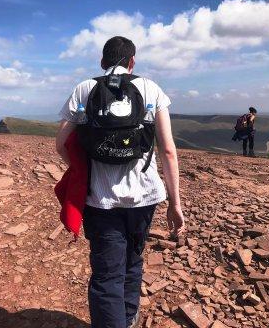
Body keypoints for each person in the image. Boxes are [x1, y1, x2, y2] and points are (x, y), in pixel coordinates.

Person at [56, 36, 185, 328]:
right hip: (145, 198)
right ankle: (128, 317)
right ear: (132, 61)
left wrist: (81, 169)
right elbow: (167, 150)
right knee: (133, 259)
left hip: (100, 199)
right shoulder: (150, 88)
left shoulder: (85, 88)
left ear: (102, 62)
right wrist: (175, 203)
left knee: (106, 274)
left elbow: (61, 144)